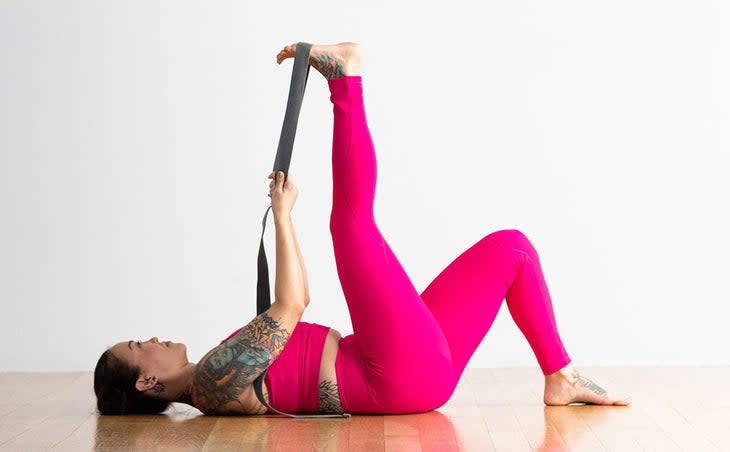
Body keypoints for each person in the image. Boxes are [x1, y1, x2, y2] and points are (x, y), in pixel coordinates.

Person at [94, 42, 631, 416]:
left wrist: (284, 217)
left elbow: (293, 301)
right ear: (146, 381)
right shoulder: (211, 381)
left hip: (399, 367)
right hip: (389, 375)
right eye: (140, 344)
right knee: (350, 226)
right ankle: (346, 80)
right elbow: (290, 306)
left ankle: (560, 375)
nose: (155, 337)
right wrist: (282, 217)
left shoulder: (216, 373)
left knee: (511, 249)